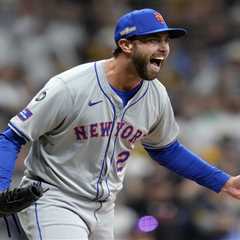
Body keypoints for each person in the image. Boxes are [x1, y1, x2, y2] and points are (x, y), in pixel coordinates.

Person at [0, 8, 240, 240]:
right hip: (55, 199)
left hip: (105, 208)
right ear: (126, 45)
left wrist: (223, 182)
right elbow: (12, 137)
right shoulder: (69, 87)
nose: (164, 48)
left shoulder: (156, 94)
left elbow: (166, 149)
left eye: (166, 40)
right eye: (153, 40)